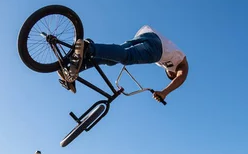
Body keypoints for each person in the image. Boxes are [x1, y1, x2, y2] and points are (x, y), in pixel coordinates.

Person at [59, 27, 189, 104]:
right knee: (127, 57)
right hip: (157, 48)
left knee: (112, 59)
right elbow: (181, 78)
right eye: (171, 74)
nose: (170, 72)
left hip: (147, 34)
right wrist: (165, 92)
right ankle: (89, 47)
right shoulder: (182, 63)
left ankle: (75, 67)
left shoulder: (169, 59)